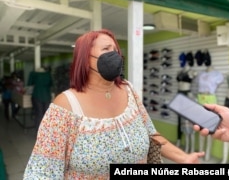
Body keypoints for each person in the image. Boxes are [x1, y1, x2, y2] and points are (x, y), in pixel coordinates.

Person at [23, 29, 205, 179]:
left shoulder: (129, 90)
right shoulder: (66, 105)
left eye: (116, 50)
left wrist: (184, 158)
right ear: (85, 59)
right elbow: (43, 170)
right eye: (106, 49)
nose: (115, 55)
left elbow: (151, 134)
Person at [196, 65, 224, 161]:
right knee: (200, 127)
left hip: (211, 99)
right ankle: (200, 151)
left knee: (210, 127)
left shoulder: (217, 75)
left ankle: (207, 151)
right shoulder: (201, 74)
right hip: (200, 99)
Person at [176, 65, 197, 153]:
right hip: (179, 94)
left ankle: (190, 148)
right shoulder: (180, 72)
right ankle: (179, 140)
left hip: (187, 95)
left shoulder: (192, 72)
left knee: (189, 121)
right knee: (180, 120)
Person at [27, 67, 53, 132]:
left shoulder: (33, 74)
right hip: (47, 96)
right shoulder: (48, 74)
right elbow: (51, 84)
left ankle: (39, 131)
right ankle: (47, 131)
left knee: (39, 114)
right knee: (47, 114)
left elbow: (29, 83)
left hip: (37, 96)